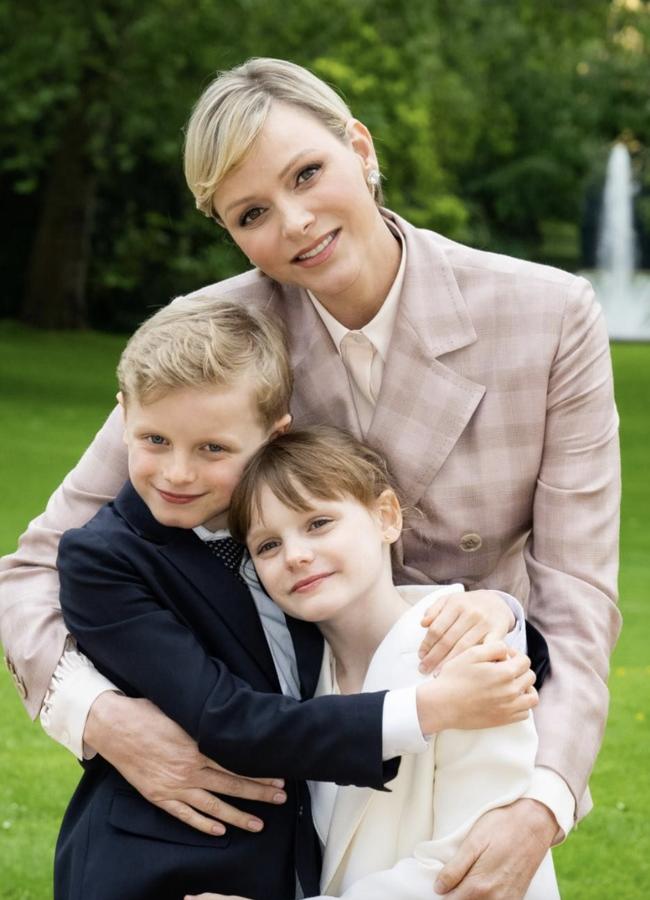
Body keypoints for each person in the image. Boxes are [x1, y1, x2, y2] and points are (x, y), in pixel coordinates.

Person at [0, 57, 620, 898]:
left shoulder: (547, 316)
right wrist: (107, 722)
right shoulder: (218, 339)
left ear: (358, 146)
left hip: (477, 739)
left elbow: (577, 599)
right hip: (294, 754)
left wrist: (545, 799)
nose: (293, 223)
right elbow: (33, 569)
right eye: (252, 212)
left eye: (308, 174)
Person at [54, 297, 535, 900]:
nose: (177, 473)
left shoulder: (286, 545)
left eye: (213, 449)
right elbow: (223, 718)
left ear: (272, 434)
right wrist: (433, 707)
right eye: (154, 439)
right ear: (122, 417)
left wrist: (501, 614)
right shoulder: (103, 559)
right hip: (158, 866)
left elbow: (372, 623)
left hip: (288, 868)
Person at [188, 424, 558, 900]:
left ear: (386, 516)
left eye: (318, 523)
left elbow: (466, 875)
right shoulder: (291, 685)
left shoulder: (465, 647)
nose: (296, 556)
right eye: (268, 545)